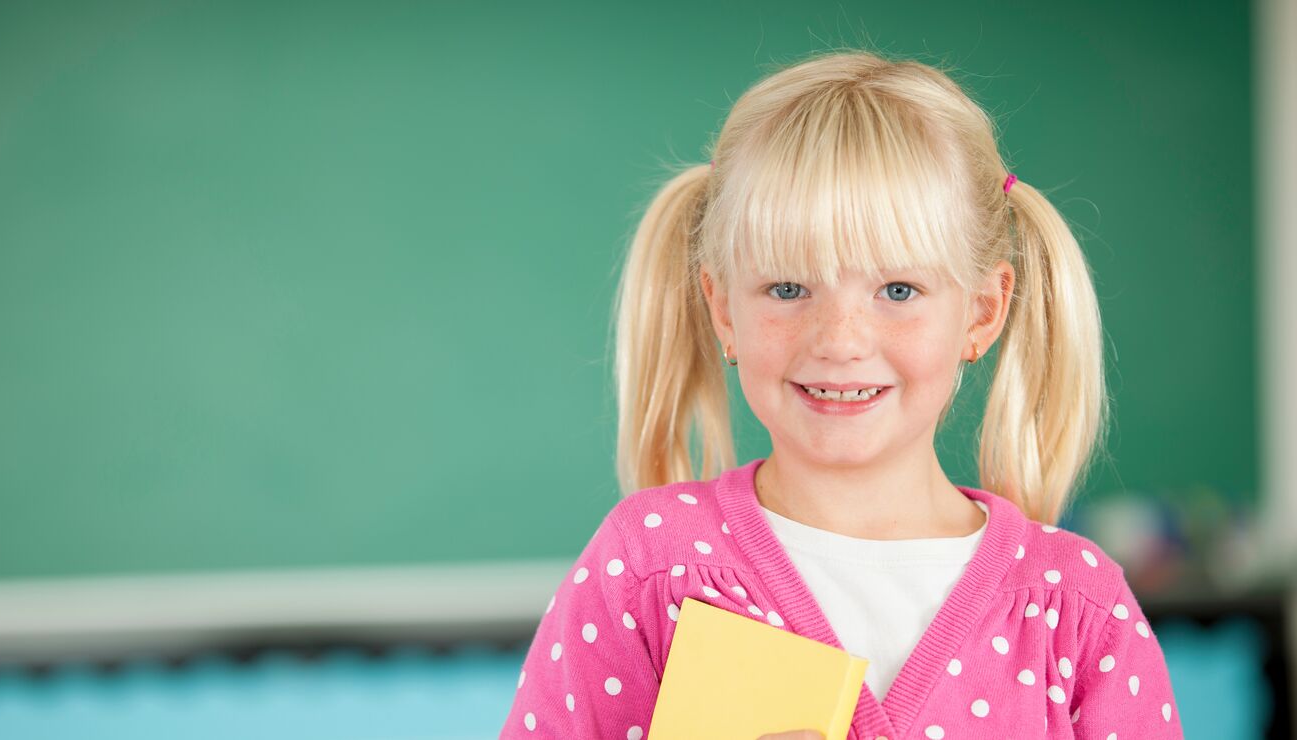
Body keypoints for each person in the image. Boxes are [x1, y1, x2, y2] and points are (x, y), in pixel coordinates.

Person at [500, 48, 1182, 739]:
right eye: (788, 288)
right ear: (724, 310)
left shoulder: (1078, 610)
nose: (840, 340)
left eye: (898, 291)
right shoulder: (648, 569)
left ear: (980, 312)